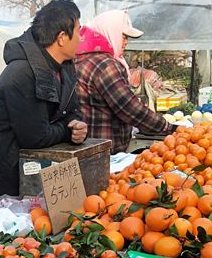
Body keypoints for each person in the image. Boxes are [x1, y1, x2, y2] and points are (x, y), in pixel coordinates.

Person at [0, 0, 88, 202]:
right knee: (9, 231)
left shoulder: (63, 68)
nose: (80, 37)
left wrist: (77, 125)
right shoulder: (22, 73)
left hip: (28, 166)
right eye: (78, 30)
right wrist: (68, 131)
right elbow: (35, 137)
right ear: (62, 37)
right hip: (0, 171)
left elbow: (72, 110)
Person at [74, 10, 172, 154]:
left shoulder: (81, 57)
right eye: (123, 36)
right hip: (106, 151)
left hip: (88, 148)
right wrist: (168, 128)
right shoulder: (104, 65)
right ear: (109, 32)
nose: (126, 42)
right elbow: (129, 107)